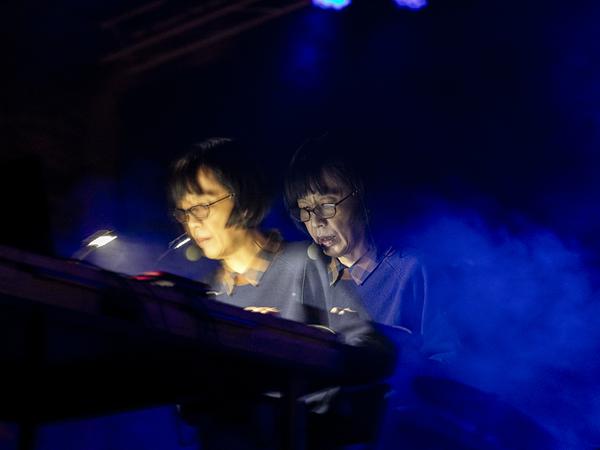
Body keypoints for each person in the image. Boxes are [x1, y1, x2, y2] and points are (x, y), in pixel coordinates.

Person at [168, 137, 395, 449]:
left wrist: (288, 342)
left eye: (202, 207)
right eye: (183, 212)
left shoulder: (303, 263)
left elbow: (374, 353)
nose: (192, 223)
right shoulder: (205, 294)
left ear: (244, 198)